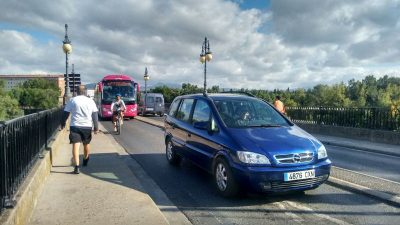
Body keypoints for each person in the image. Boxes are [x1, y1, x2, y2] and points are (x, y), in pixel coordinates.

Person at [62, 89, 99, 174]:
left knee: (76, 145)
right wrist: (96, 127)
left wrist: (62, 123)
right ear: (85, 92)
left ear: (77, 92)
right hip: (87, 126)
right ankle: (86, 159)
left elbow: (66, 113)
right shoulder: (90, 101)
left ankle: (76, 167)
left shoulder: (72, 100)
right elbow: (94, 115)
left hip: (75, 126)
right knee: (86, 144)